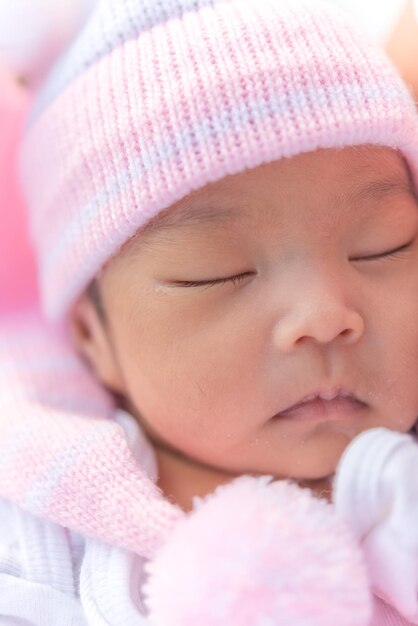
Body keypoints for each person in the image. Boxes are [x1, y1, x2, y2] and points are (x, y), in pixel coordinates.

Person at [1, 0, 418, 624]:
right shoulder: (38, 525)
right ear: (94, 339)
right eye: (218, 274)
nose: (325, 315)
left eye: (382, 246)